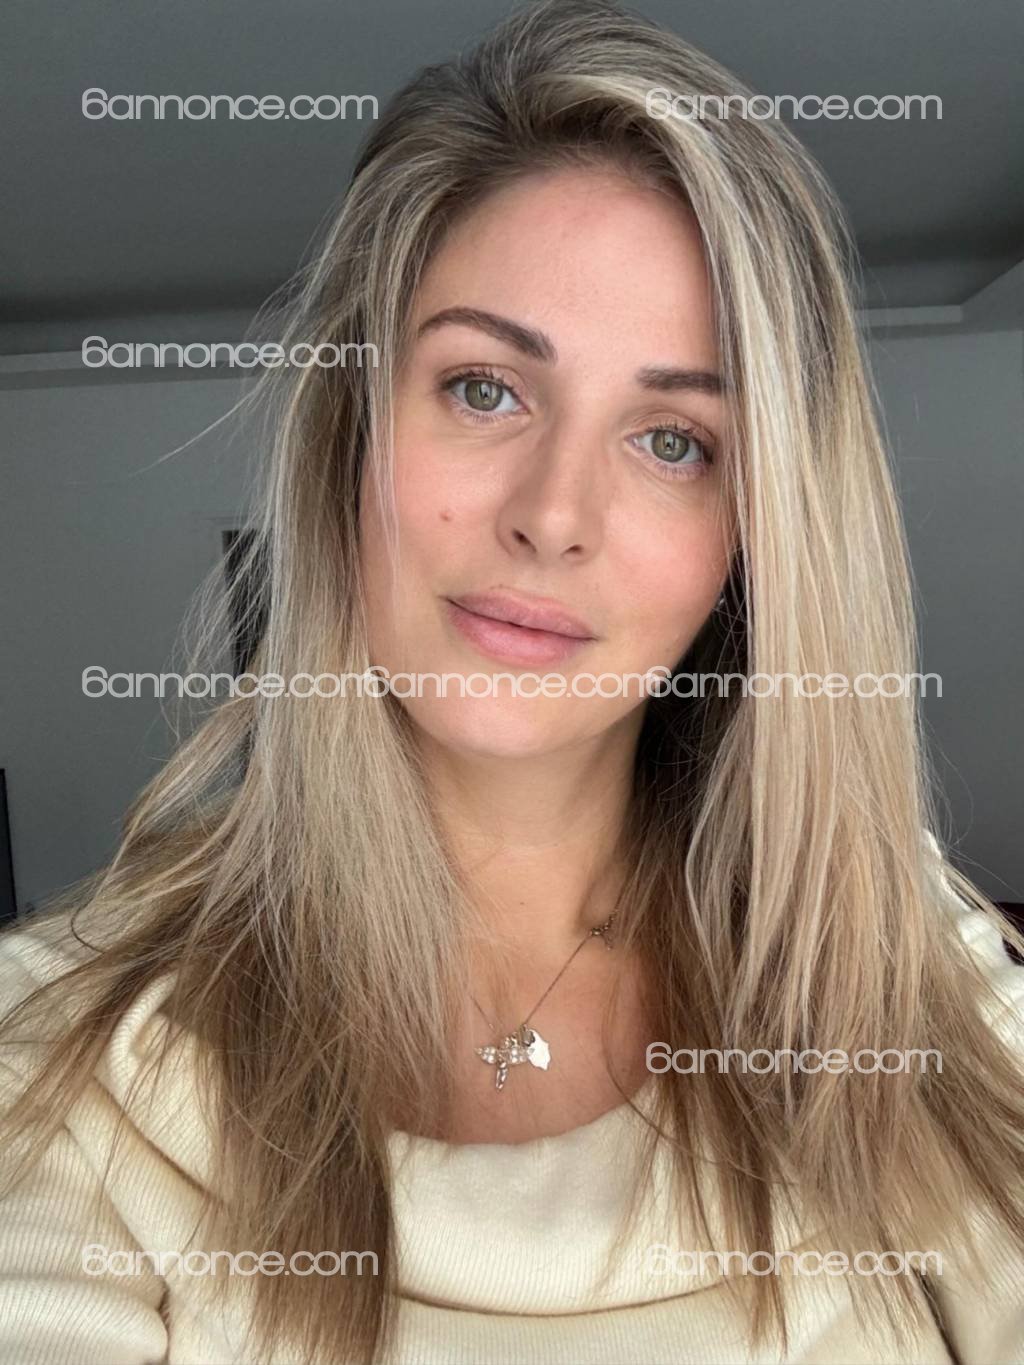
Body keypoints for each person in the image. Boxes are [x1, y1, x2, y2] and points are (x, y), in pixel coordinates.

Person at [1, 1, 1022, 1362]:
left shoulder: (896, 955)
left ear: (752, 540)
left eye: (674, 439)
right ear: (349, 437)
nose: (553, 515)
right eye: (485, 389)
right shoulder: (56, 1050)